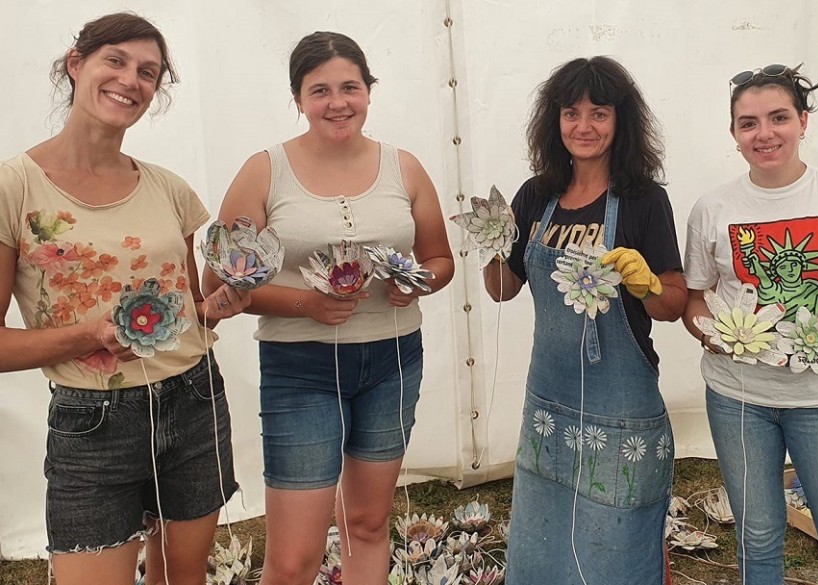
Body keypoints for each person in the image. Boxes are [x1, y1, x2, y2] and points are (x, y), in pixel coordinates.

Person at [0, 13, 249, 585]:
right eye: (116, 60)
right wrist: (88, 335)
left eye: (148, 72)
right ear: (75, 63)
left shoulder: (168, 188)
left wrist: (218, 304)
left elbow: (188, 305)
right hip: (92, 424)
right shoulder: (17, 187)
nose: (131, 80)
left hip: (195, 400)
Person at [203, 31, 454, 585]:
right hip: (300, 368)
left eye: (350, 87)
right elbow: (219, 284)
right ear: (297, 98)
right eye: (320, 91)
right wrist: (306, 304)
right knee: (296, 555)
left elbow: (438, 258)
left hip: (392, 360)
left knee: (367, 523)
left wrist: (416, 283)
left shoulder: (403, 167)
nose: (337, 102)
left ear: (369, 91)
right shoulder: (264, 171)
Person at [483, 56, 686, 584]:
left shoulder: (644, 200)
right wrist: (489, 247)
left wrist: (648, 284)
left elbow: (674, 304)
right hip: (550, 397)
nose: (584, 127)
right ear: (554, 121)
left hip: (621, 402)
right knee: (544, 531)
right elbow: (503, 290)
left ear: (622, 121)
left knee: (617, 538)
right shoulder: (536, 195)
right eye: (571, 113)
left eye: (599, 113)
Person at [684, 64, 818, 584]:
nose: (764, 133)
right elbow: (695, 299)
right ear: (734, 135)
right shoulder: (712, 209)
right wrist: (713, 336)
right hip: (737, 398)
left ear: (803, 122)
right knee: (759, 536)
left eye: (778, 118)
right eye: (749, 123)